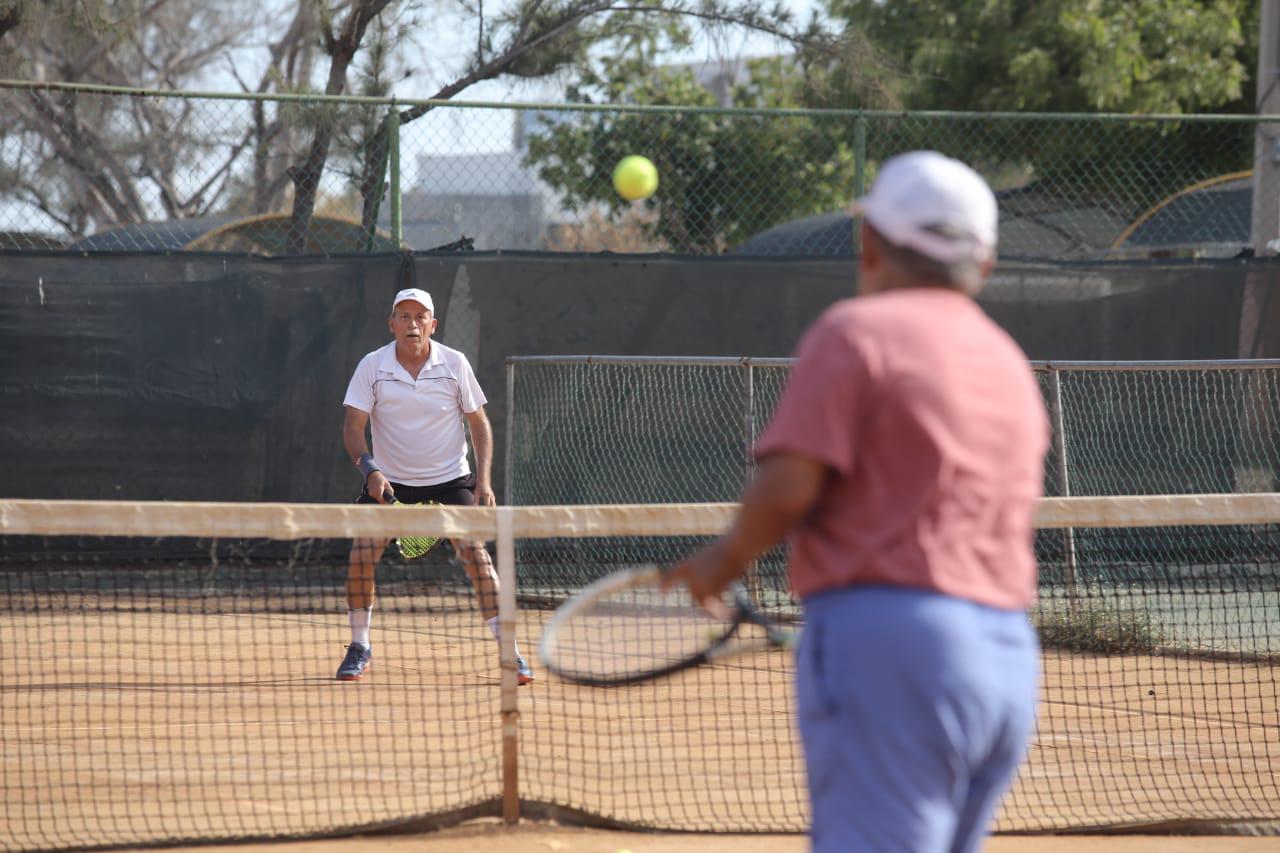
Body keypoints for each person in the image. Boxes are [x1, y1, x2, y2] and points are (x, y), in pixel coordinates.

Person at [665, 152, 1049, 852]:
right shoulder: (1008, 362)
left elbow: (788, 486)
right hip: (1007, 658)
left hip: (895, 649)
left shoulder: (856, 333)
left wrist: (723, 559)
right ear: (984, 264)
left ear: (868, 243)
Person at [336, 286, 534, 685]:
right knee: (362, 553)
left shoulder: (455, 363)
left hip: (449, 481)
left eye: (420, 316)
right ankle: (359, 645)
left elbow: (479, 423)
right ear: (392, 324)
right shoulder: (371, 367)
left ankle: (509, 651)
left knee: (476, 556)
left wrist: (485, 481)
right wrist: (370, 471)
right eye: (404, 316)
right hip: (390, 484)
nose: (412, 324)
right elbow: (353, 430)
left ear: (433, 324)